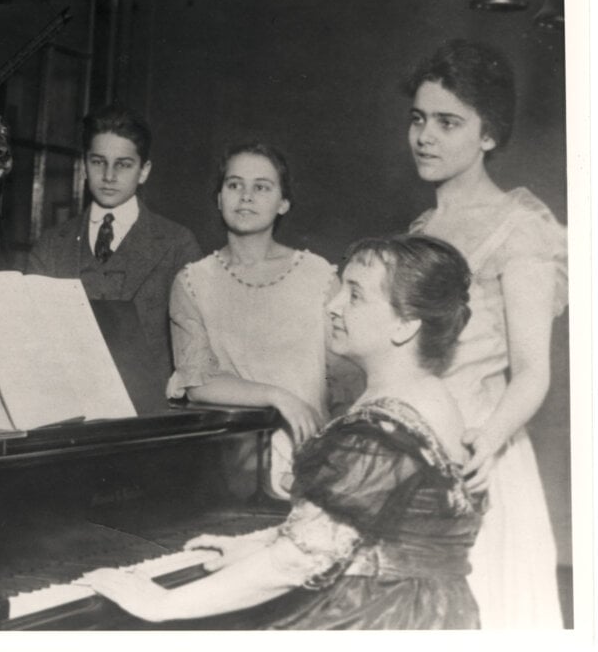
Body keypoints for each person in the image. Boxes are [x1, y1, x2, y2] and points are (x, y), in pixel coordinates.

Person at [84, 234, 485, 629]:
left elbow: (300, 559)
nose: (333, 305)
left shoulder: (380, 431)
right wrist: (256, 545)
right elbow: (363, 529)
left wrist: (163, 603)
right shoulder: (430, 398)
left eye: (355, 295)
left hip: (382, 616)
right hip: (434, 609)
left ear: (405, 325)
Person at [403, 39, 568, 629]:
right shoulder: (420, 229)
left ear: (489, 135)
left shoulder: (520, 227)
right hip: (416, 455)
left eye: (449, 123)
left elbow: (531, 372)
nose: (426, 136)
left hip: (481, 458)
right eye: (419, 119)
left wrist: (481, 445)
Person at [166, 142, 361, 498]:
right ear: (219, 197)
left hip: (312, 460)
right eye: (234, 184)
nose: (246, 197)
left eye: (262, 187)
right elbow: (198, 381)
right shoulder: (192, 282)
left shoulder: (318, 276)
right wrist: (277, 397)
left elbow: (346, 383)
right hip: (228, 466)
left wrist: (339, 462)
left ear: (283, 202)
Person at [26, 106, 202, 383]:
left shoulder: (177, 244)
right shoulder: (50, 246)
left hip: (149, 410)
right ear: (84, 165)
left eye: (123, 164)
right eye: (98, 162)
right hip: (70, 407)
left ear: (144, 171)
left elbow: (195, 346)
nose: (109, 175)